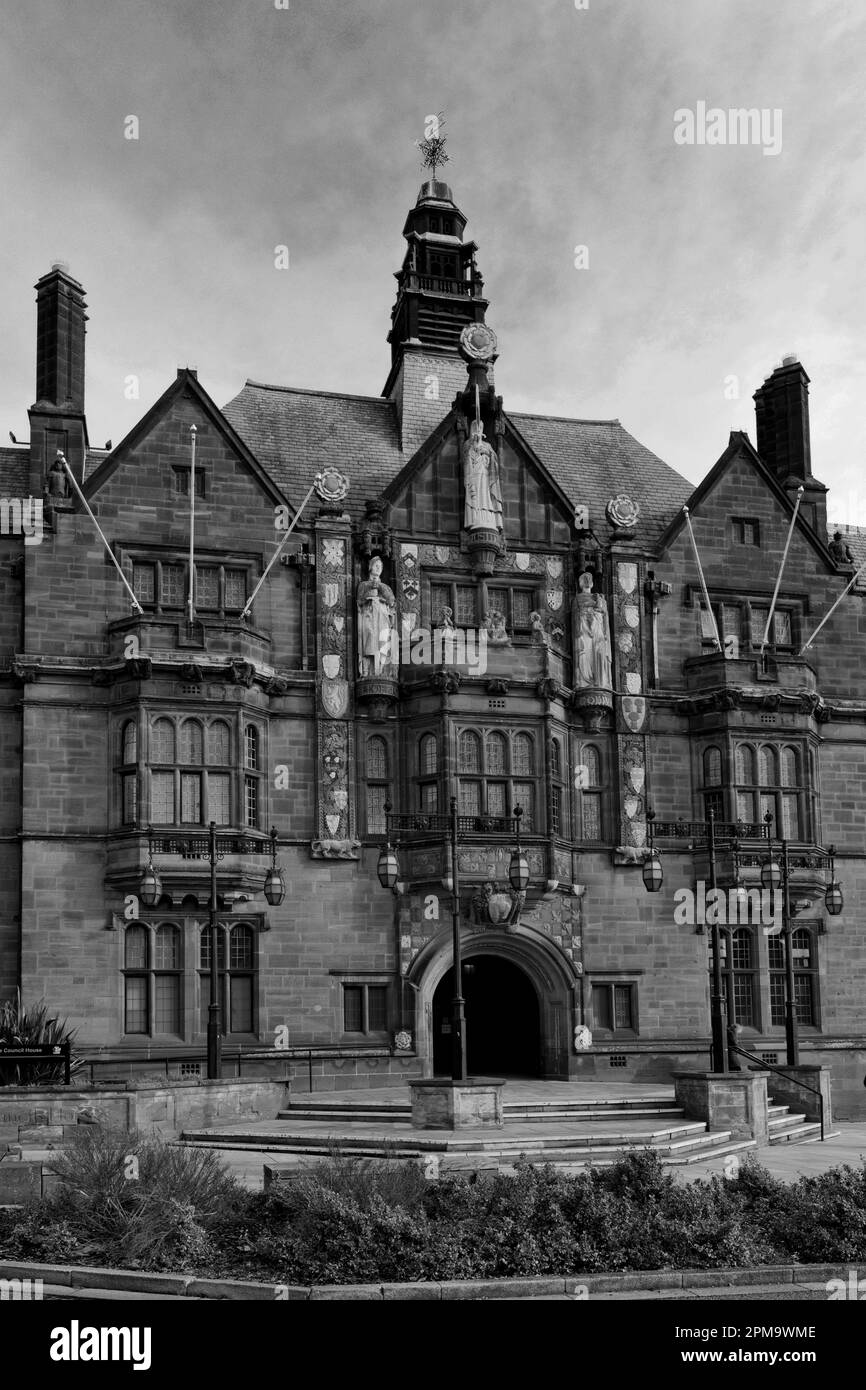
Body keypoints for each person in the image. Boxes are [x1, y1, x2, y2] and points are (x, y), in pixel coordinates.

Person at [357, 556, 396, 676]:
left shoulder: (385, 587)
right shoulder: (363, 584)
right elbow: (359, 600)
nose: (379, 568)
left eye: (381, 566)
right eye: (376, 565)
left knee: (382, 642)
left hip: (382, 617)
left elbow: (392, 601)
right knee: (369, 641)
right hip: (368, 615)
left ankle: (381, 672)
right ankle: (367, 671)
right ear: (370, 567)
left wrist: (379, 587)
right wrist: (368, 596)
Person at [462, 418, 503, 531]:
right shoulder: (468, 444)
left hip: (485, 475)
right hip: (474, 474)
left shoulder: (487, 445)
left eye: (480, 427)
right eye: (476, 427)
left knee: (485, 494)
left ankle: (489, 517)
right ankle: (475, 516)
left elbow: (494, 460)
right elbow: (466, 459)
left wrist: (485, 451)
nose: (478, 429)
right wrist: (474, 445)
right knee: (476, 494)